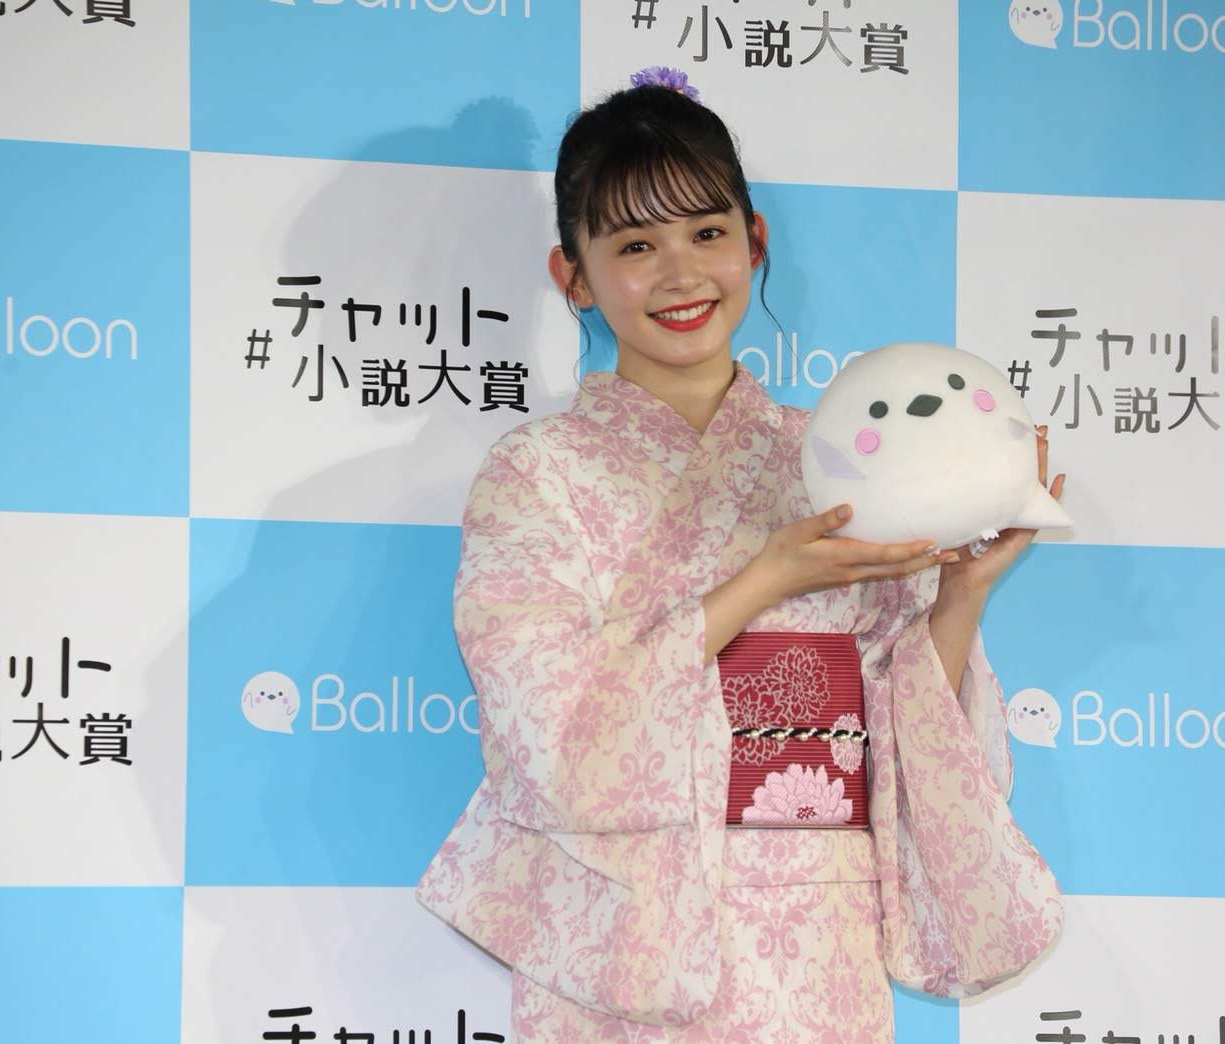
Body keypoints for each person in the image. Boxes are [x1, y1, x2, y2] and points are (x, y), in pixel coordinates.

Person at [417, 68, 1066, 1042]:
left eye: (706, 232)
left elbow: (909, 739)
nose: (681, 274)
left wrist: (962, 593)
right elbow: (544, 725)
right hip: (622, 943)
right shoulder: (537, 474)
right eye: (635, 245)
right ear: (574, 276)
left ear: (754, 241)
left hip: (818, 934)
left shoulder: (843, 459)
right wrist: (766, 580)